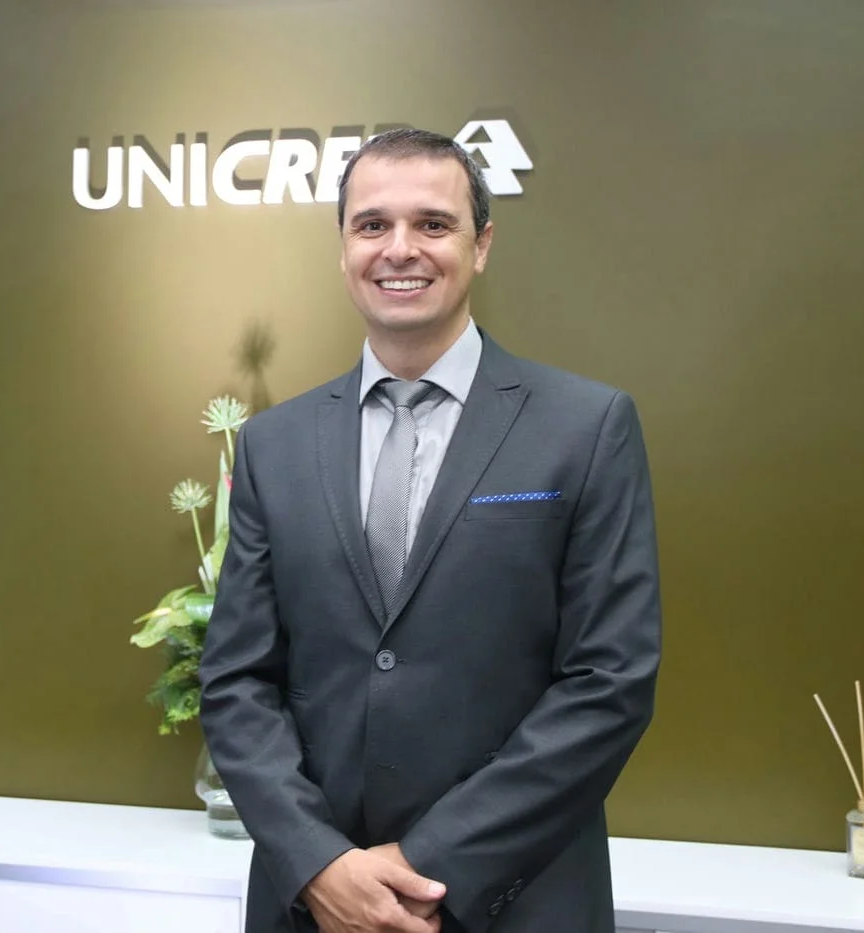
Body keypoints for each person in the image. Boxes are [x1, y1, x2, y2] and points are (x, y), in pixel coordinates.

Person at [197, 127, 662, 933]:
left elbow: (608, 683)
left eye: (433, 224)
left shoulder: (586, 428)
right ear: (343, 249)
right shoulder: (275, 444)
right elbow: (237, 680)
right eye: (372, 224)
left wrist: (427, 866)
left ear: (481, 245)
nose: (399, 249)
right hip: (314, 904)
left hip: (514, 900)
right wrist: (320, 863)